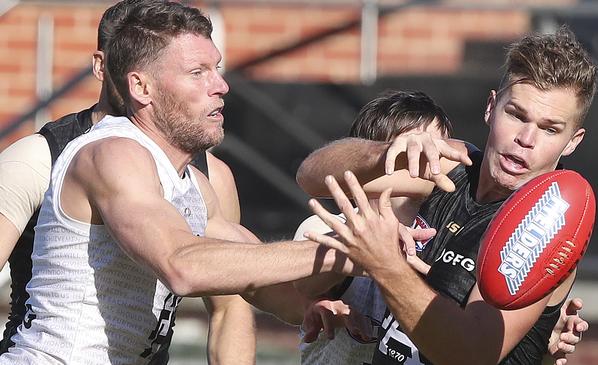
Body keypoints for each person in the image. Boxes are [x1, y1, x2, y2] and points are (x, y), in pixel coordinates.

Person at [0, 1, 357, 364]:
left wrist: (322, 298)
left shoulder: (195, 183)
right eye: (197, 72)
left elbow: (257, 281)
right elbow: (182, 265)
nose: (220, 85)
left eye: (216, 68)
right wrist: (349, 251)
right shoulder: (112, 153)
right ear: (141, 87)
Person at [297, 26, 596, 364]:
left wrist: (387, 266)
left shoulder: (548, 224)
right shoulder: (453, 165)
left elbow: (469, 353)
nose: (526, 138)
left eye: (549, 129)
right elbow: (312, 177)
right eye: (516, 114)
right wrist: (382, 153)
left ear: (573, 141)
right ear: (491, 108)